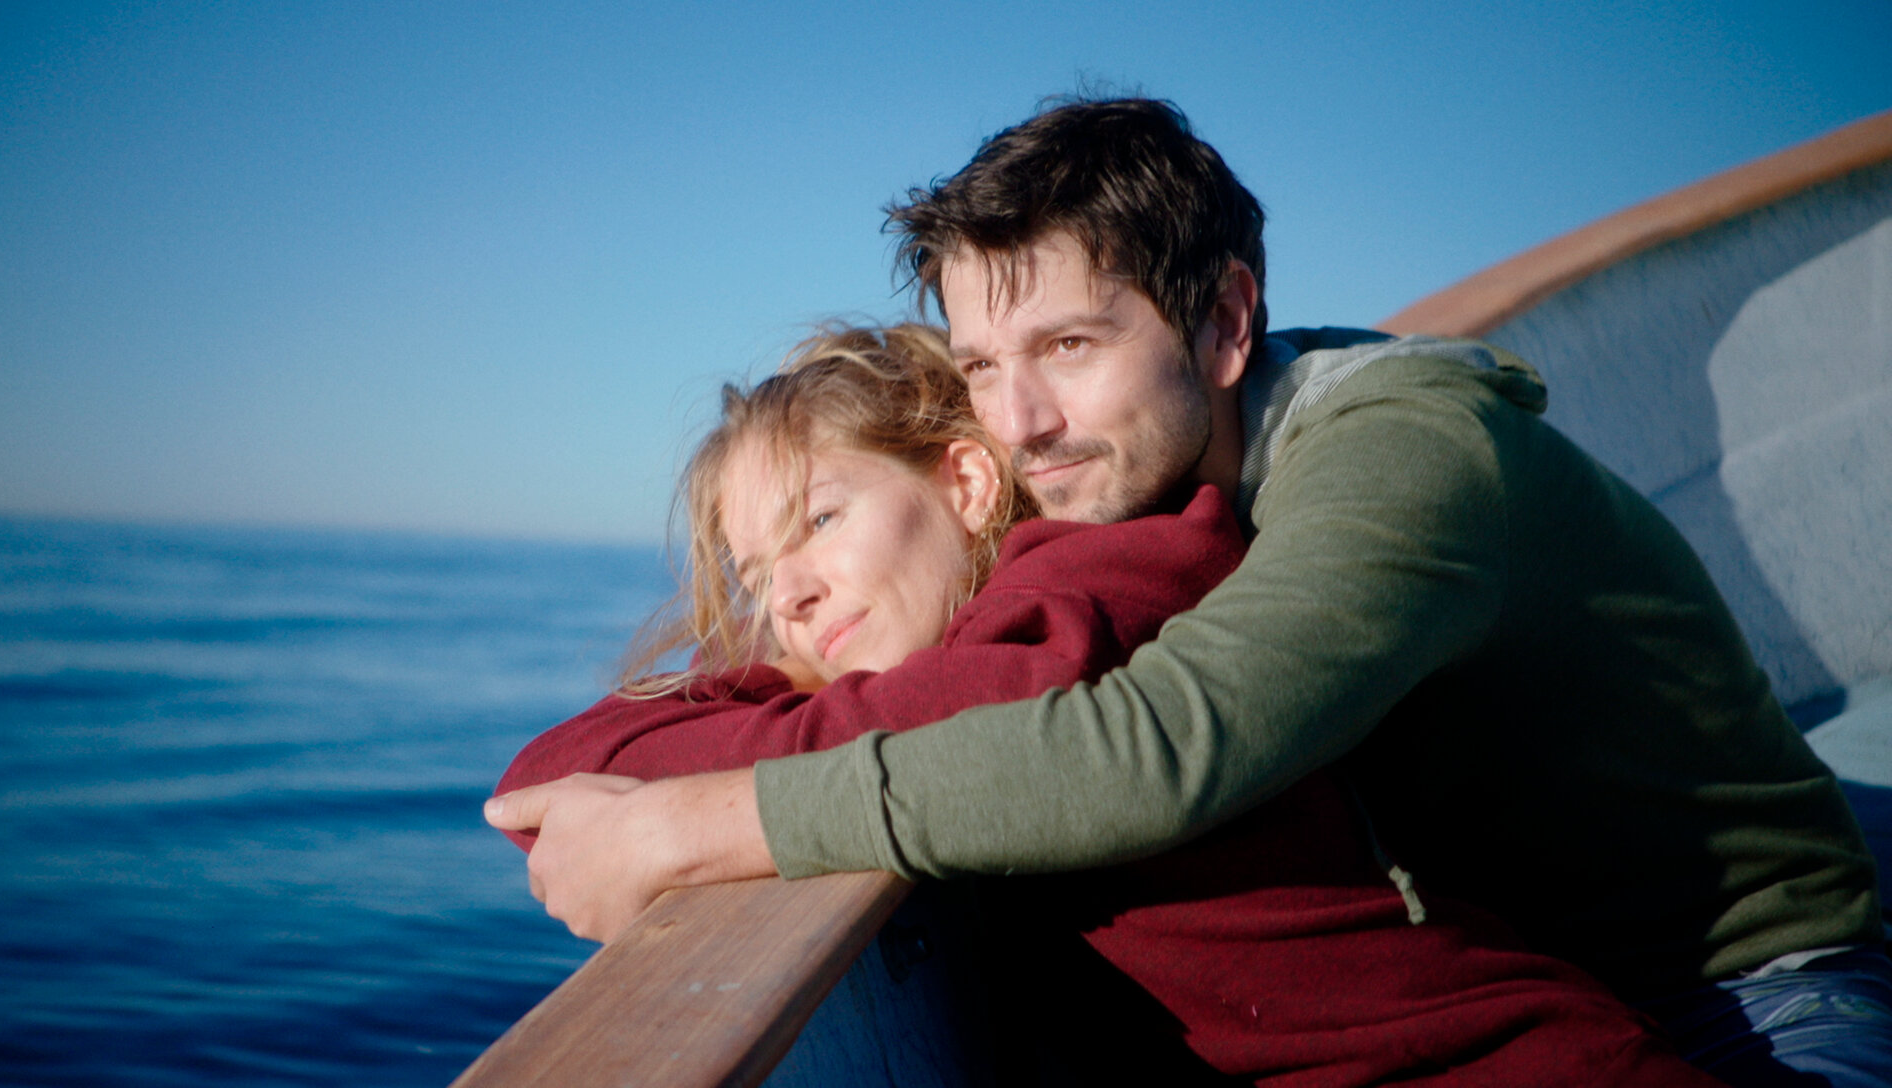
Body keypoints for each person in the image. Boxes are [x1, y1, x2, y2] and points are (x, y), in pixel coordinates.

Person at [490, 100, 1892, 1085]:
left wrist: (693, 828)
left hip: (1746, 994)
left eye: (1073, 346)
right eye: (982, 369)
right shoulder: (1131, 482)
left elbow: (1158, 753)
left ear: (1225, 323)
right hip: (1527, 968)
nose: (1020, 424)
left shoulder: (1410, 457)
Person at [491, 323, 1720, 1085]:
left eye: (819, 520)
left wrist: (682, 811)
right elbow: (563, 756)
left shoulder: (1099, 592)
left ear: (969, 480)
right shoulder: (964, 647)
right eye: (758, 577)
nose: (793, 592)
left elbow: (877, 731)